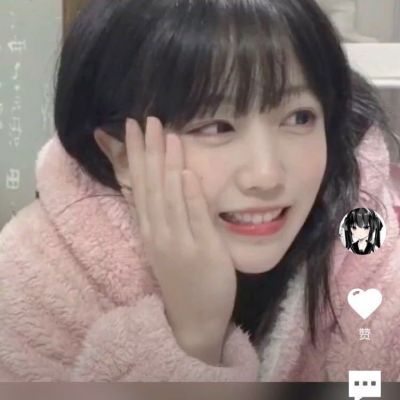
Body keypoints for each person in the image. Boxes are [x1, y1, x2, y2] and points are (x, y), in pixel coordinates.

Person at [0, 0, 399, 382]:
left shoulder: (369, 247)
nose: (265, 175)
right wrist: (193, 336)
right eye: (215, 127)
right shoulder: (35, 283)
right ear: (122, 155)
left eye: (299, 117)